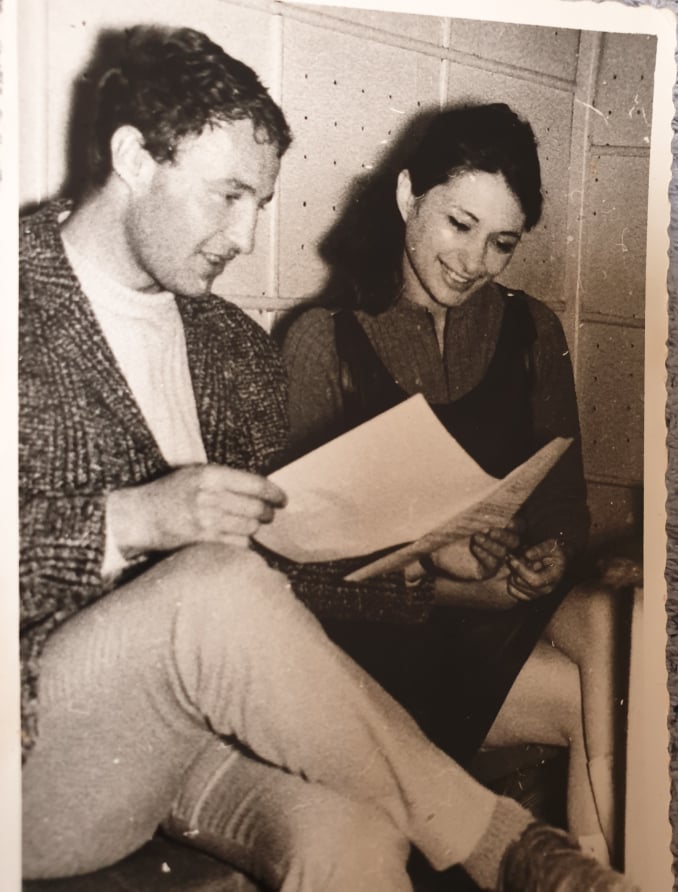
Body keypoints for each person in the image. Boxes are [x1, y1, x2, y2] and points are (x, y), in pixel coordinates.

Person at [19, 25, 635, 892]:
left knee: (356, 839)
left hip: (189, 744)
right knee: (212, 583)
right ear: (133, 159)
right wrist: (132, 519)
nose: (245, 236)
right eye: (228, 195)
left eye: (260, 203)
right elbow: (216, 594)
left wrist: (424, 563)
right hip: (36, 754)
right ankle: (502, 842)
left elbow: (279, 573)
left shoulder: (231, 347)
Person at [282, 103, 626, 865]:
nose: (474, 262)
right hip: (384, 649)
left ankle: (612, 874)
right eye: (459, 225)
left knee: (611, 618)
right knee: (597, 698)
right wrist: (456, 584)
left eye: (502, 242)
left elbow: (564, 502)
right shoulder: (323, 341)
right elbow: (299, 571)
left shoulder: (532, 330)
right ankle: (608, 873)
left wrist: (552, 553)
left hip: (497, 616)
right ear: (409, 195)